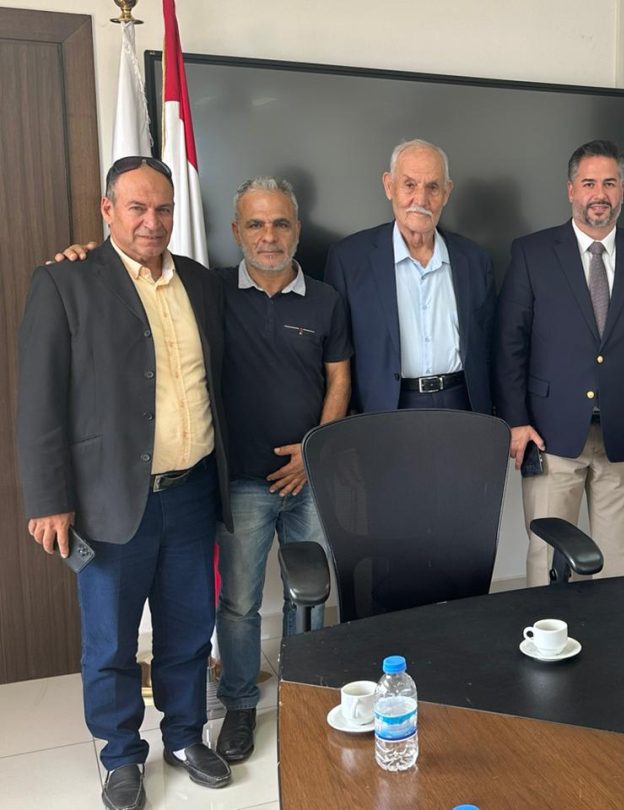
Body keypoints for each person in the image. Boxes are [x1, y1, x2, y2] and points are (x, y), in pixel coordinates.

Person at [17, 157, 233, 810]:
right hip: (108, 499)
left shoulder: (200, 282)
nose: (152, 222)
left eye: (163, 208)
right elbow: (39, 403)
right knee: (111, 640)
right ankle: (120, 756)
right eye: (136, 207)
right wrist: (49, 499)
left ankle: (186, 736)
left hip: (192, 491)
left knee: (189, 628)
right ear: (107, 210)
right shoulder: (65, 281)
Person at [495, 139, 624, 586]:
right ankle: (546, 632)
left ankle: (610, 634)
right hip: (550, 435)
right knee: (547, 561)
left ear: (623, 192)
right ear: (571, 190)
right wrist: (516, 421)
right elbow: (509, 345)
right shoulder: (532, 253)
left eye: (610, 184)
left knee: (619, 566)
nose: (600, 194)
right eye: (589, 183)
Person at [212, 178, 351, 762]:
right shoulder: (212, 293)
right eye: (256, 224)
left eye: (280, 223)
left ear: (297, 229)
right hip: (242, 481)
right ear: (236, 231)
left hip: (310, 478)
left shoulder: (326, 299)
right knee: (240, 603)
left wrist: (311, 451)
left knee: (309, 594)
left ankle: (304, 692)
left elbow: (339, 378)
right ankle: (240, 704)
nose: (268, 236)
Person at [324, 139, 495, 412]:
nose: (421, 200)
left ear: (447, 192)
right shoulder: (349, 259)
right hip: (385, 410)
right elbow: (337, 353)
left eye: (433, 187)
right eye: (410, 185)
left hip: (463, 406)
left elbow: (490, 347)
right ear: (389, 186)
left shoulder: (475, 260)